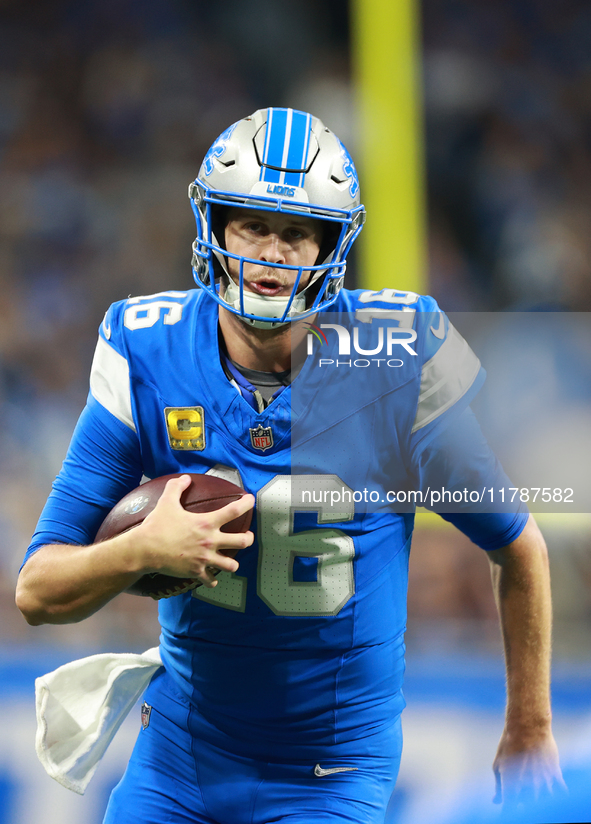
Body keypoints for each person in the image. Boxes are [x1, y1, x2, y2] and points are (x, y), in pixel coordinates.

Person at [16, 108, 564, 823]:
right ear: (213, 229)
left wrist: (529, 723)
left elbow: (517, 546)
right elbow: (37, 590)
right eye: (252, 224)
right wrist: (136, 552)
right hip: (180, 758)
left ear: (328, 248)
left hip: (329, 774)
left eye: (296, 232)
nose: (272, 252)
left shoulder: (392, 367)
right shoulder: (150, 354)